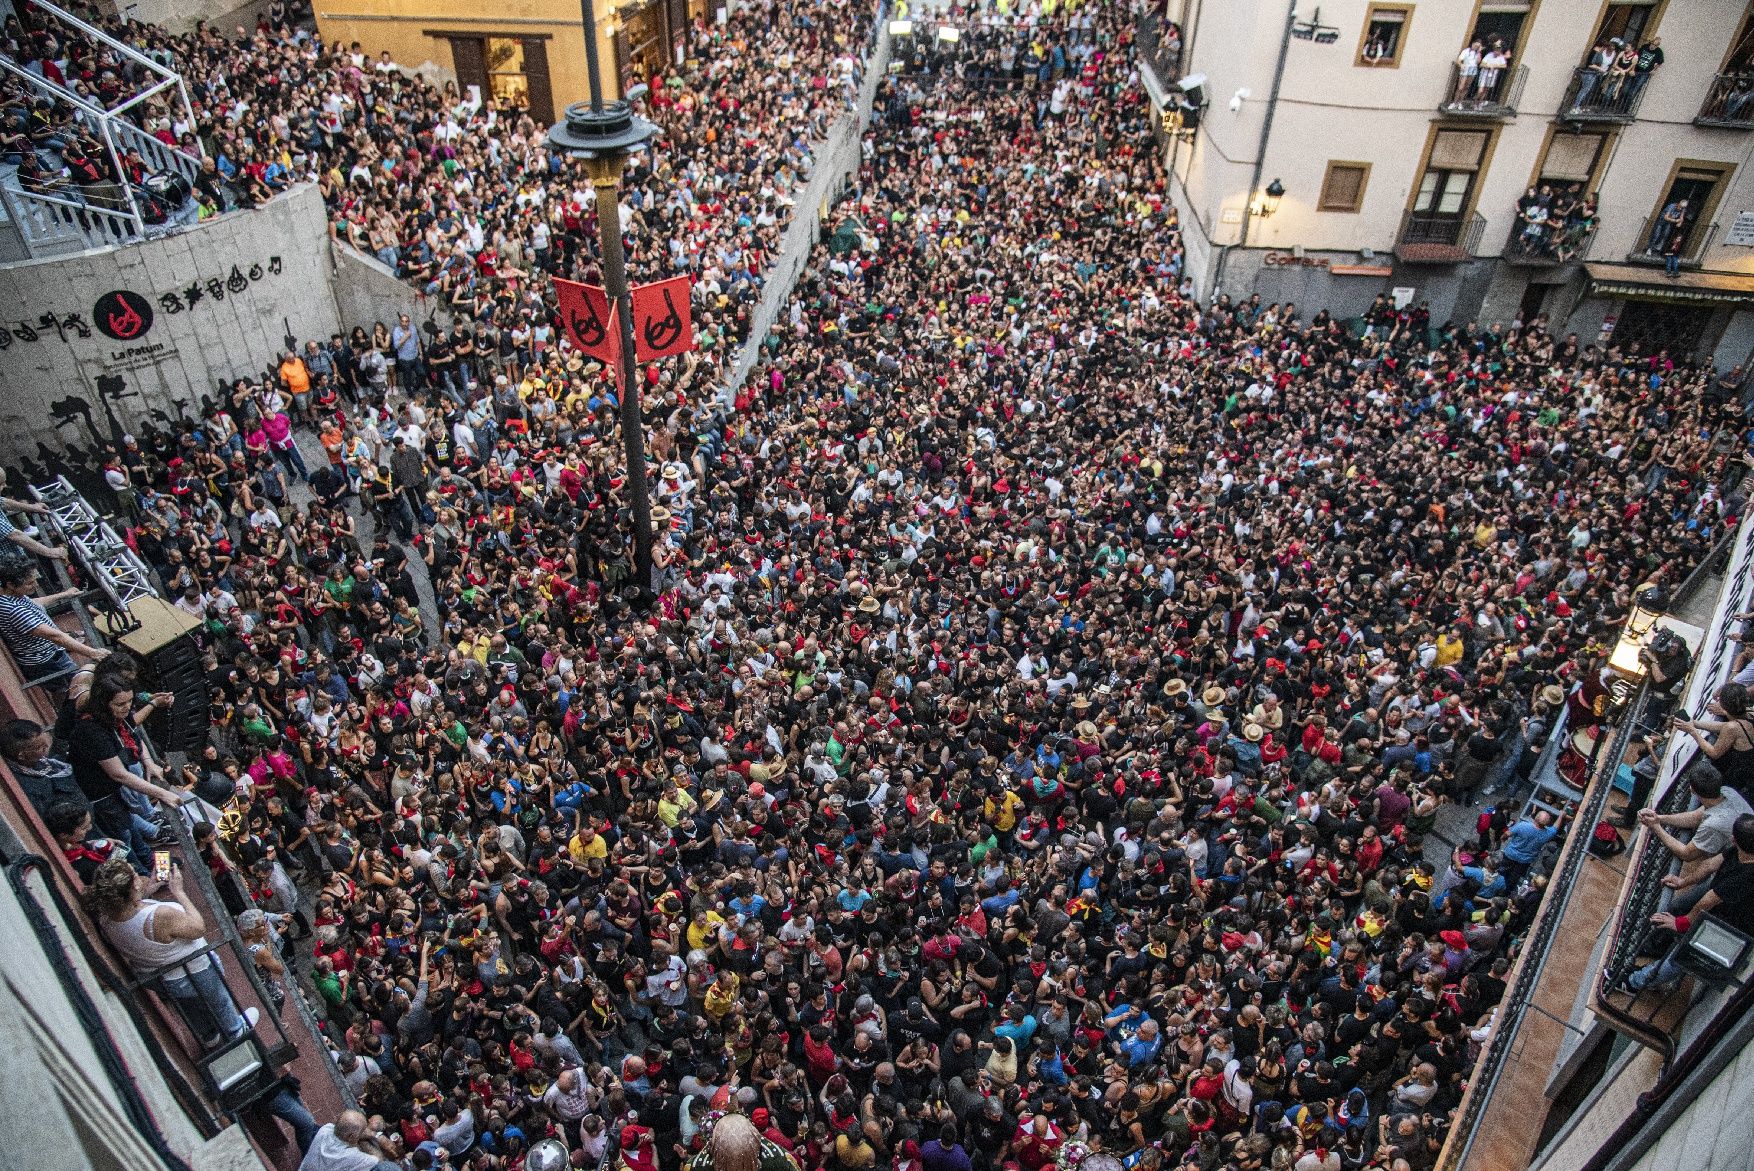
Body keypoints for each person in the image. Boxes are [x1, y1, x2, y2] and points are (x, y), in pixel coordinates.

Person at [85, 854, 259, 1047]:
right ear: (133, 887)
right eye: (135, 875)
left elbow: (132, 907)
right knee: (219, 999)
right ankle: (235, 1030)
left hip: (157, 976)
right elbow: (198, 928)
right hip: (194, 970)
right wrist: (179, 892)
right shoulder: (161, 916)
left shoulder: (108, 915)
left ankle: (208, 1036)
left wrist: (152, 886)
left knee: (189, 1007)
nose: (138, 877)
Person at [1626, 814, 1754, 993]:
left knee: (1684, 956)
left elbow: (1709, 900)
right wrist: (1682, 882)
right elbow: (1710, 865)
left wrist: (1682, 923)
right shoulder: (1739, 850)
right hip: (1723, 909)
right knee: (1682, 930)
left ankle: (1634, 983)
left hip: (1735, 930)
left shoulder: (1747, 876)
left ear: (1736, 840)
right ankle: (1650, 965)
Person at [0, 555, 106, 686]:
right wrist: (93, 653)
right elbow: (54, 636)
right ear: (10, 585)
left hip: (49, 653)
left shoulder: (10, 596)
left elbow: (34, 603)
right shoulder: (14, 610)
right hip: (47, 661)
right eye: (30, 583)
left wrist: (64, 595)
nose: (36, 585)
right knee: (80, 686)